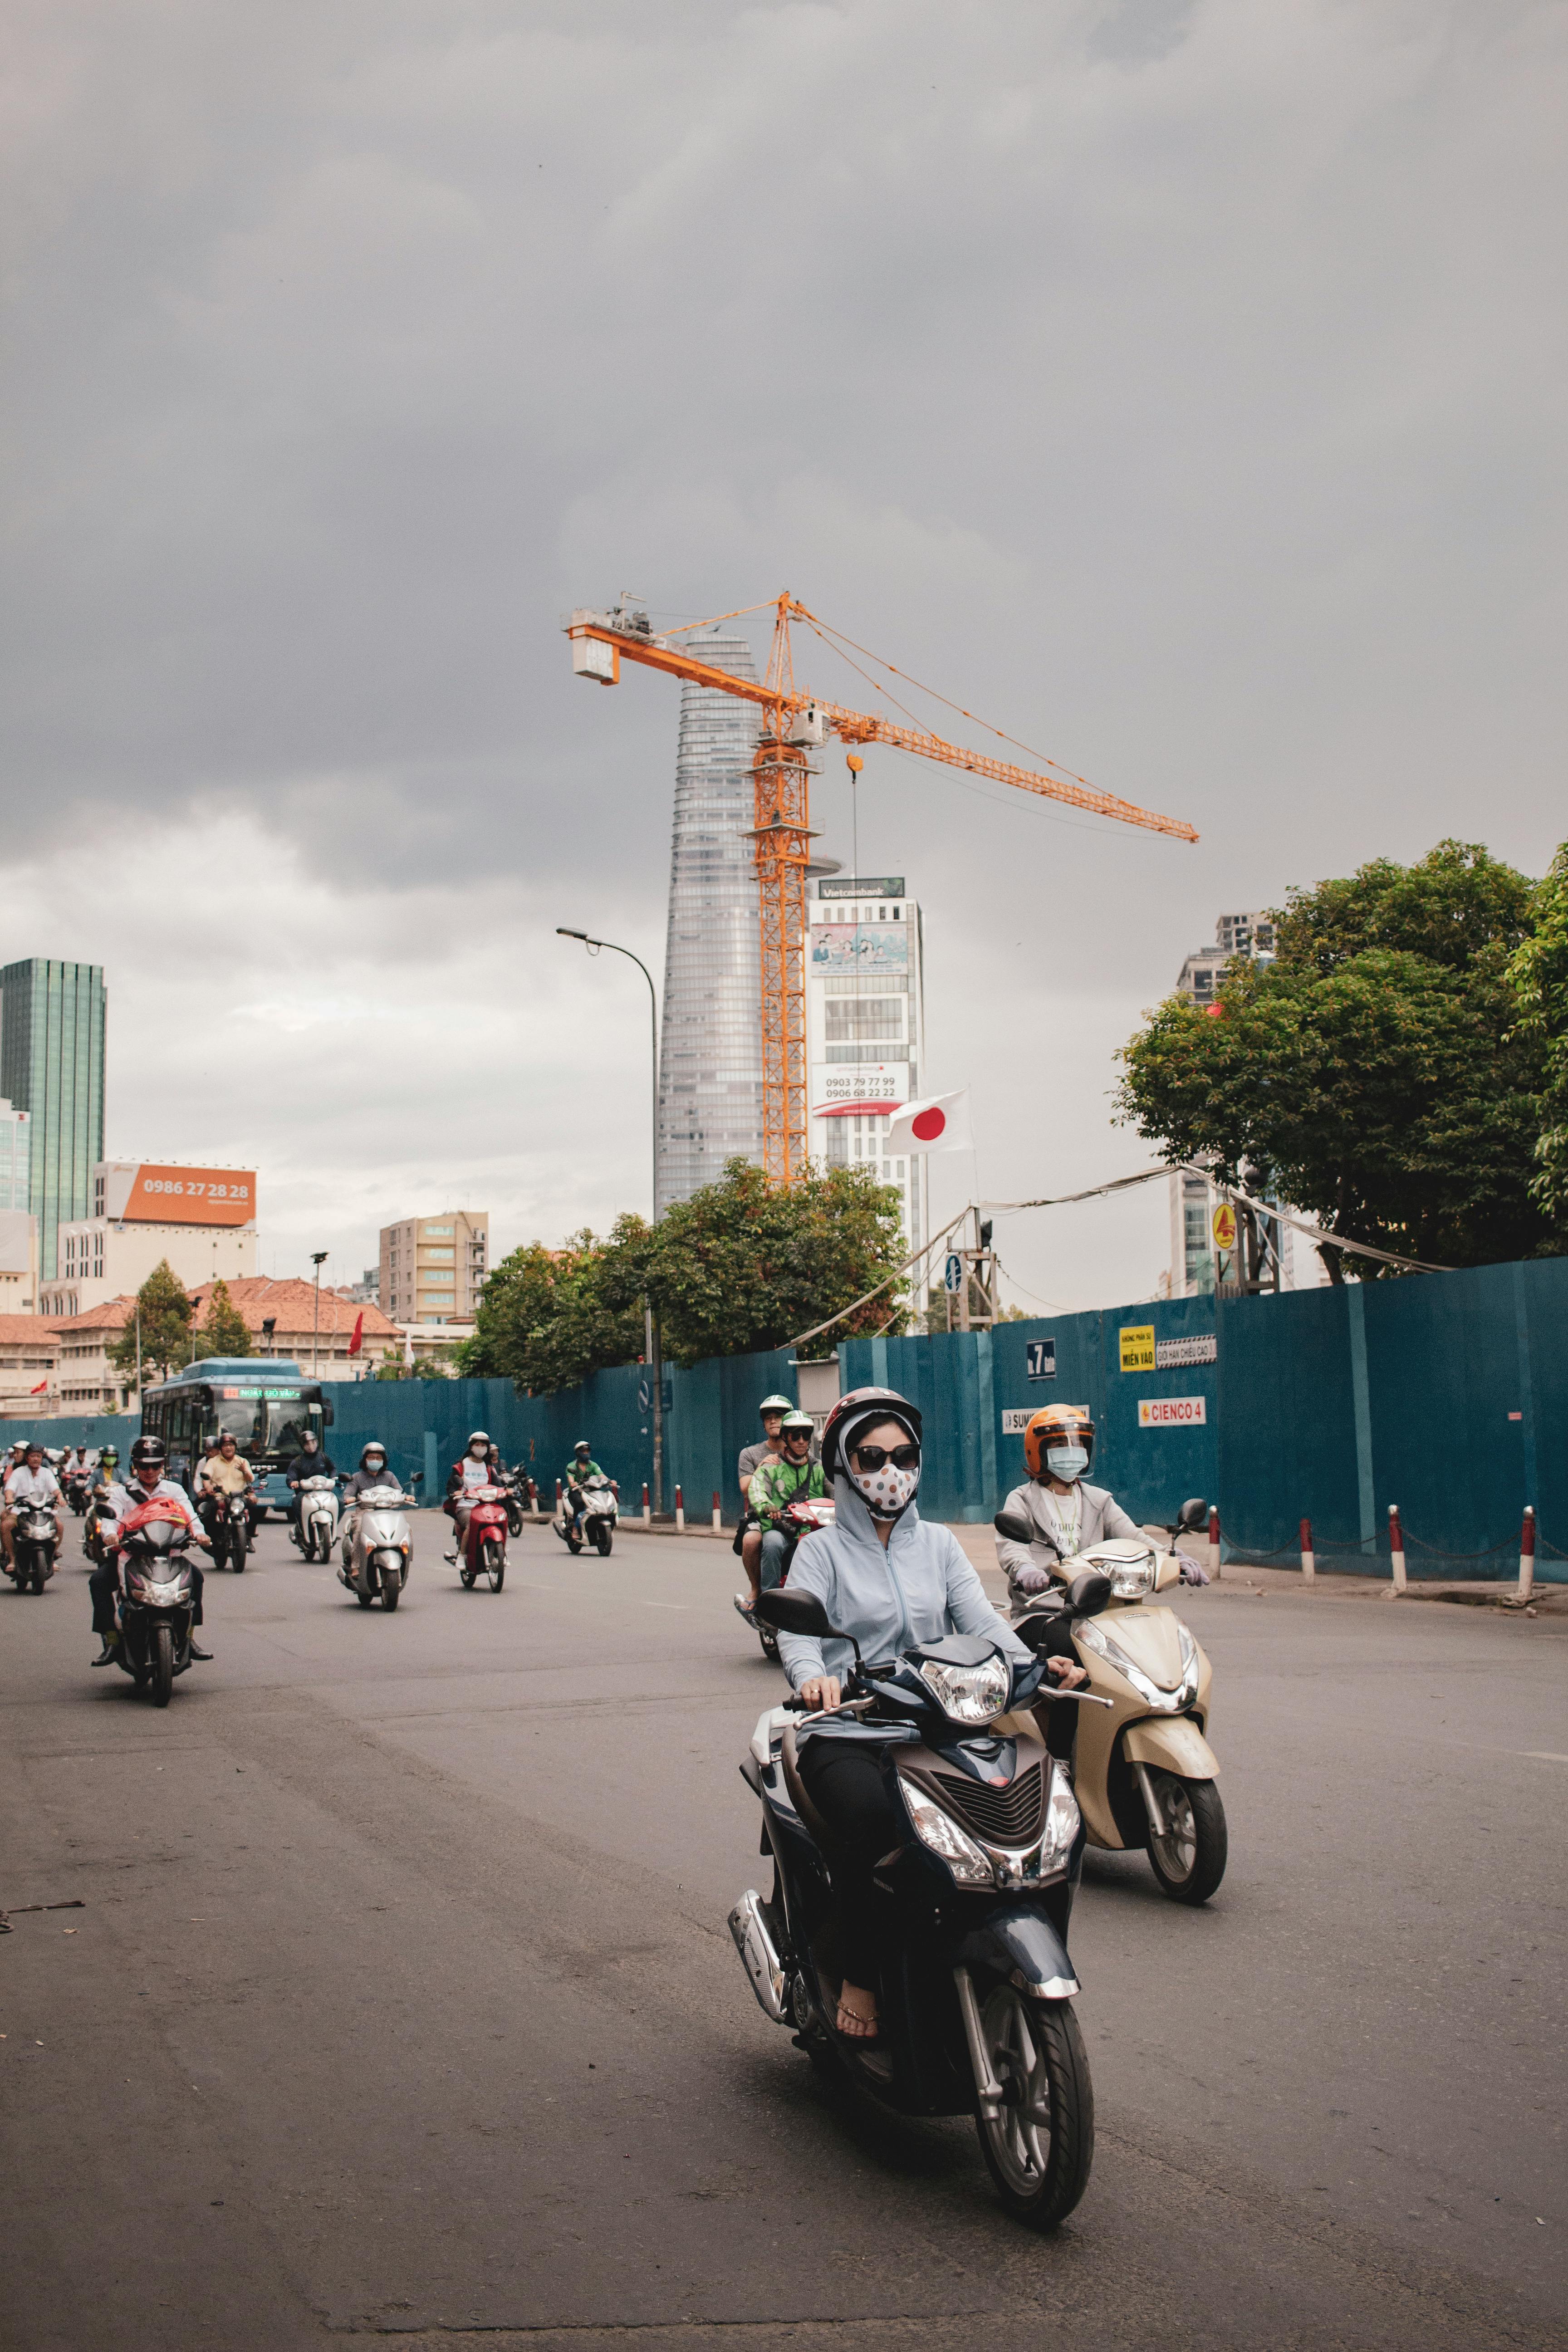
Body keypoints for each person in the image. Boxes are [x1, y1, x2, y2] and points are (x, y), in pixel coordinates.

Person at [775, 1387, 1088, 2044]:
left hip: (939, 1720)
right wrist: (814, 1683)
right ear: (844, 1467)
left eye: (905, 1455)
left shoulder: (940, 1546)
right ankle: (859, 1973)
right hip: (850, 1726)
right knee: (873, 1826)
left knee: (1036, 1808)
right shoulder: (822, 1552)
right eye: (871, 1456)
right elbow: (799, 1634)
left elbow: (983, 1623)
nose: (891, 1470)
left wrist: (1037, 1665)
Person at [993, 1405, 1208, 1615]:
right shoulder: (1023, 1499)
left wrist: (1171, 1557)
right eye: (1059, 1444)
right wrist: (1025, 1570)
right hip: (1044, 1608)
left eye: (1078, 1444)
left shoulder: (1098, 1499)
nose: (1071, 1451)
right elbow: (1012, 1547)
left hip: (1097, 1605)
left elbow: (1133, 1537)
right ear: (1037, 1451)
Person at [90, 1436, 212, 1666]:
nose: (150, 1470)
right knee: (98, 1582)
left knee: (197, 1578)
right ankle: (112, 1639)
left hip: (169, 1553)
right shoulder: (122, 1493)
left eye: (155, 1465)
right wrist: (110, 1534)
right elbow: (112, 1518)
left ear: (163, 1465)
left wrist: (199, 1534)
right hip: (131, 1555)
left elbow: (190, 1515)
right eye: (144, 1465)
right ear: (135, 1465)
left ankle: (189, 1638)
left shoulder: (174, 1490)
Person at [735, 1411, 824, 1623]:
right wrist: (767, 1506)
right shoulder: (771, 1466)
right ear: (786, 1438)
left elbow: (836, 1492)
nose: (802, 1441)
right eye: (796, 1436)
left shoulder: (819, 1467)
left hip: (811, 1530)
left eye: (806, 1435)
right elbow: (756, 1489)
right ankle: (769, 1601)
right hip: (781, 1527)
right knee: (772, 1543)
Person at [733, 1392, 792, 1601]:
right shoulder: (750, 1454)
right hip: (762, 1517)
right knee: (751, 1541)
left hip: (796, 1517)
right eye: (769, 1418)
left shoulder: (799, 1451)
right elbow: (746, 1489)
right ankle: (758, 1589)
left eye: (779, 1416)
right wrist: (762, 1467)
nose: (774, 1421)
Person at [3, 1441, 64, 1572]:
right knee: (6, 1526)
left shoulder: (47, 1473)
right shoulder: (18, 1472)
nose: (36, 1459)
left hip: (44, 1512)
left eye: (39, 1456)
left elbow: (56, 1489)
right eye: (33, 1456)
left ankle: (51, 1558)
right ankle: (13, 1559)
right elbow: (10, 1489)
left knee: (59, 1526)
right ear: (27, 1458)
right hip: (21, 1512)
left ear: (42, 1458)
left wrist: (60, 1497)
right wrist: (9, 1497)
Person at [444, 1429, 499, 1563]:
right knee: (471, 1524)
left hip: (485, 1506)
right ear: (471, 1447)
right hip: (466, 1506)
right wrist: (455, 1493)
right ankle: (462, 1556)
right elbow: (451, 1486)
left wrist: (507, 1491)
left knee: (500, 1519)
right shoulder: (461, 1466)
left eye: (483, 1445)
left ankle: (500, 1553)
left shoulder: (489, 1468)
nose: (480, 1448)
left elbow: (498, 1485)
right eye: (477, 1445)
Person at [196, 1430, 255, 1552]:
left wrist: (244, 1471)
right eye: (225, 1446)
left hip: (239, 1498)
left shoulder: (243, 1462)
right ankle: (213, 1538)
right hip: (220, 1497)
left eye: (231, 1445)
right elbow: (206, 1476)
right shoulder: (213, 1462)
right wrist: (208, 1487)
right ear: (221, 1448)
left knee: (254, 1506)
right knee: (208, 1512)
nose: (229, 1448)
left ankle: (249, 1537)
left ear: (235, 1447)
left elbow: (251, 1479)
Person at [284, 1428, 338, 1545]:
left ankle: (332, 1526)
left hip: (323, 1491)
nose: (311, 1445)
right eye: (307, 1443)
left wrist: (333, 1478)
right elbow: (291, 1477)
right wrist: (293, 1482)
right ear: (302, 1446)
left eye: (313, 1442)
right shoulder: (298, 1461)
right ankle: (302, 1529)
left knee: (340, 1503)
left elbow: (332, 1469)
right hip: (305, 1493)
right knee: (297, 1502)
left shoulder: (323, 1457)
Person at [560, 1440, 614, 1543]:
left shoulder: (593, 1465)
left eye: (588, 1451)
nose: (587, 1453)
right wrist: (573, 1483)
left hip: (591, 1491)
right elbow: (570, 1478)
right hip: (577, 1491)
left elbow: (601, 1475)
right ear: (578, 1453)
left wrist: (609, 1481)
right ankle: (575, 1528)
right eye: (584, 1451)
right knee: (580, 1503)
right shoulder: (571, 1466)